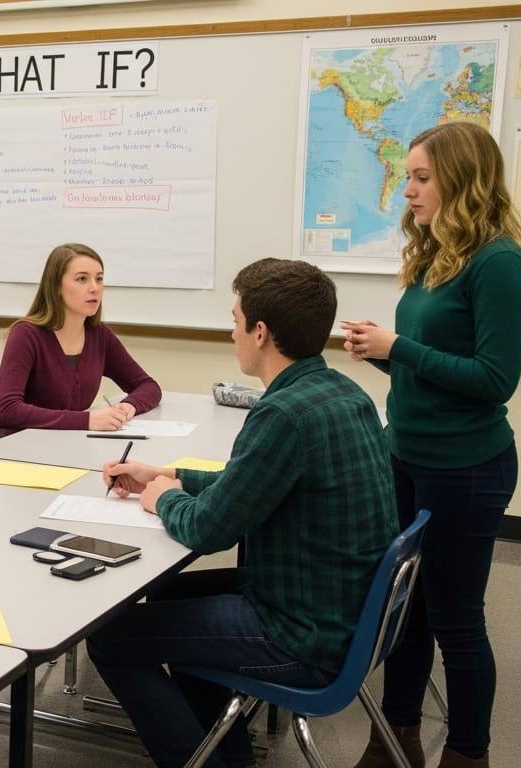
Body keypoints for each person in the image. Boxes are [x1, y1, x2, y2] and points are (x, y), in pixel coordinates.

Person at [88, 258, 397, 768]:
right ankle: (228, 751)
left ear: (260, 331)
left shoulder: (282, 413)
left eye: (235, 319)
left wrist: (163, 498)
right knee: (160, 597)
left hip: (302, 633)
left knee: (109, 636)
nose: (231, 332)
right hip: (343, 609)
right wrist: (172, 475)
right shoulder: (343, 392)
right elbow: (255, 486)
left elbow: (210, 530)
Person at [342, 121, 521, 768]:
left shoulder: (499, 263)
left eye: (422, 178)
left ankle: (466, 752)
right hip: (409, 454)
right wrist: (382, 355)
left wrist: (400, 348)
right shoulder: (432, 255)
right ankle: (393, 737)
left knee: (456, 619)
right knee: (405, 612)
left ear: (462, 179)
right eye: (407, 178)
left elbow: (492, 380)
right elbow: (429, 369)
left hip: (466, 467)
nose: (408, 192)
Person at [0, 243, 160, 435]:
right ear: (56, 286)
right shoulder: (26, 335)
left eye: (99, 279)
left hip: (72, 444)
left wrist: (128, 406)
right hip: (21, 450)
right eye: (82, 279)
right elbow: (6, 411)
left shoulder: (99, 335)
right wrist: (87, 420)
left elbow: (148, 386)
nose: (94, 288)